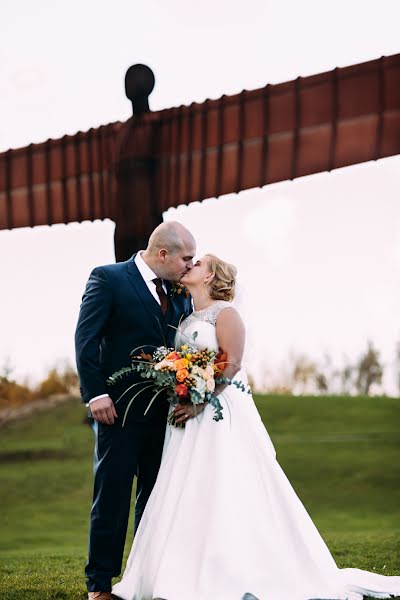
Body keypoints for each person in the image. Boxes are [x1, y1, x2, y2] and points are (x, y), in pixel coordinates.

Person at [112, 254, 400, 600]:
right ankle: (175, 572)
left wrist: (201, 401)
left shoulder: (226, 313)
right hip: (184, 413)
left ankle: (234, 568)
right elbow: (188, 362)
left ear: (210, 276)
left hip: (217, 411)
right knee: (185, 484)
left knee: (224, 480)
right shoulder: (186, 317)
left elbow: (232, 362)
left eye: (199, 262)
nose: (191, 264)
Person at [75, 221, 195, 600]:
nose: (189, 266)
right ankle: (100, 585)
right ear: (163, 254)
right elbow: (85, 338)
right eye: (185, 258)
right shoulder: (108, 279)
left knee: (155, 496)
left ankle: (144, 577)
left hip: (167, 416)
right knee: (111, 494)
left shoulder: (180, 294)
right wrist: (95, 395)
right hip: (119, 411)